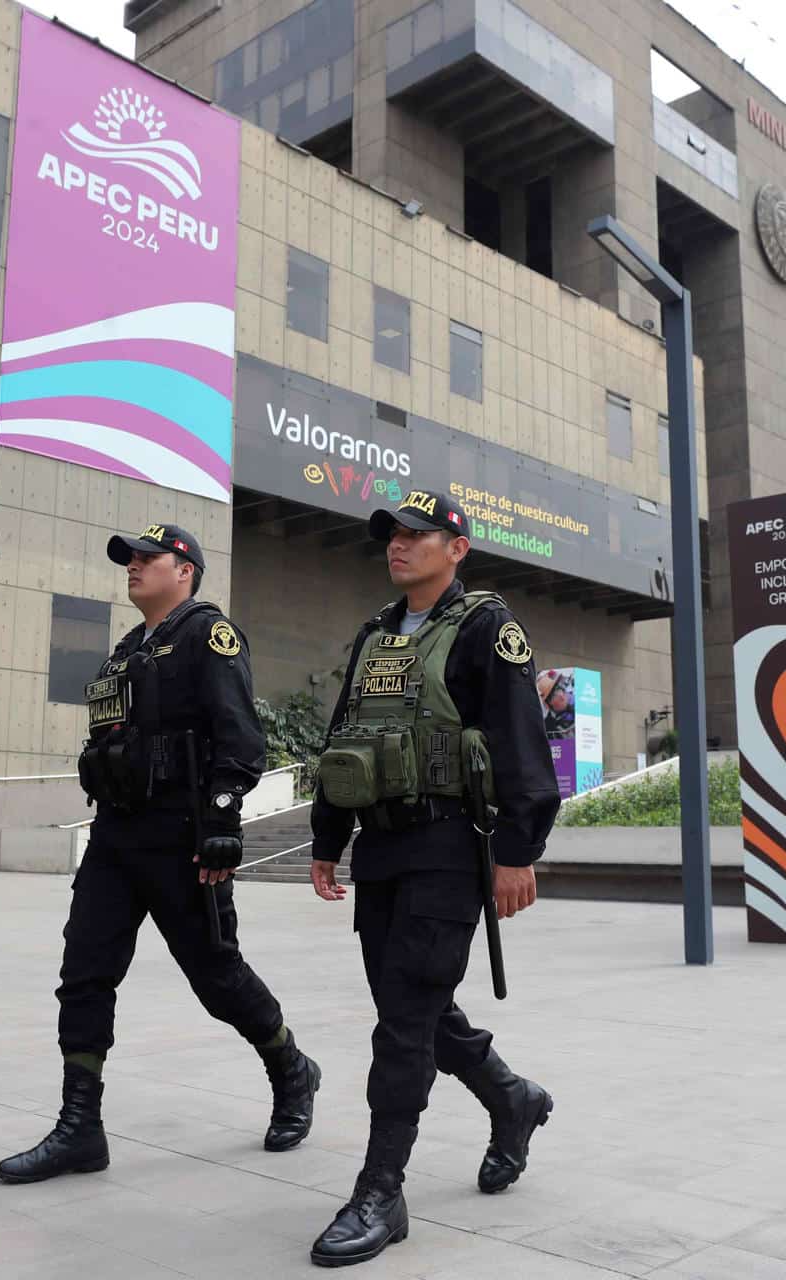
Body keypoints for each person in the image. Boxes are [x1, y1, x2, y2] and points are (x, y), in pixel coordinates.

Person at [0, 523, 322, 1184]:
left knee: (216, 976)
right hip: (116, 836)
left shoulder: (209, 635)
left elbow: (241, 737)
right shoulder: (125, 651)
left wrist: (224, 821)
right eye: (130, 559)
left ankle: (291, 1067)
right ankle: (79, 1128)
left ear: (186, 569)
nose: (134, 566)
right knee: (84, 974)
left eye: (148, 557)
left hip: (182, 836)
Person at [305, 488, 560, 1267]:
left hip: (451, 846)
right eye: (393, 535)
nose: (400, 545)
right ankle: (512, 1098)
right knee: (410, 1003)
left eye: (419, 535)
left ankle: (381, 1189)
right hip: (382, 848)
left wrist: (517, 851)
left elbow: (520, 743)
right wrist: (327, 836)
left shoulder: (486, 626)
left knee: (404, 1021)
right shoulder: (377, 633)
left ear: (457, 548)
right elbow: (346, 735)